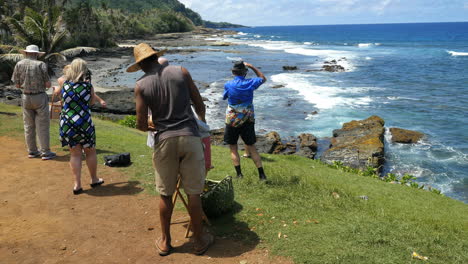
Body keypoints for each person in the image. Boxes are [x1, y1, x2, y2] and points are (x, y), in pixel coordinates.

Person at [129, 43, 213, 256]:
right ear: (156, 57)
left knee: (166, 195)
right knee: (194, 193)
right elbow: (199, 104)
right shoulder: (181, 71)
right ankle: (199, 240)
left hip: (164, 140)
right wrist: (199, 122)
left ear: (139, 65)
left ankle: (166, 241)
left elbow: (139, 124)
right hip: (190, 138)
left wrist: (154, 123)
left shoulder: (141, 85)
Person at [53, 58, 104, 195]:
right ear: (84, 71)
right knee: (90, 151)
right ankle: (94, 179)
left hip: (68, 123)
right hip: (84, 122)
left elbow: (59, 93)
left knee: (75, 154)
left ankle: (77, 185)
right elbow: (92, 103)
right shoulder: (88, 87)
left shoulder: (64, 85)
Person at [223, 61, 267, 181]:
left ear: (233, 72)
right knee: (252, 147)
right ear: (245, 72)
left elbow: (224, 96)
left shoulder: (228, 84)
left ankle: (239, 175)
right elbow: (263, 78)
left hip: (232, 120)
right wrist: (252, 66)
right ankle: (262, 175)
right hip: (248, 119)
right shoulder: (251, 83)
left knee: (233, 147)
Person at [11, 44, 56, 160]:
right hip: (39, 96)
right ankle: (45, 152)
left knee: (28, 126)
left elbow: (17, 84)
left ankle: (32, 151)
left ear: (26, 53)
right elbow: (47, 84)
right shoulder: (41, 64)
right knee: (43, 125)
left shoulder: (19, 64)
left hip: (26, 97)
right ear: (36, 54)